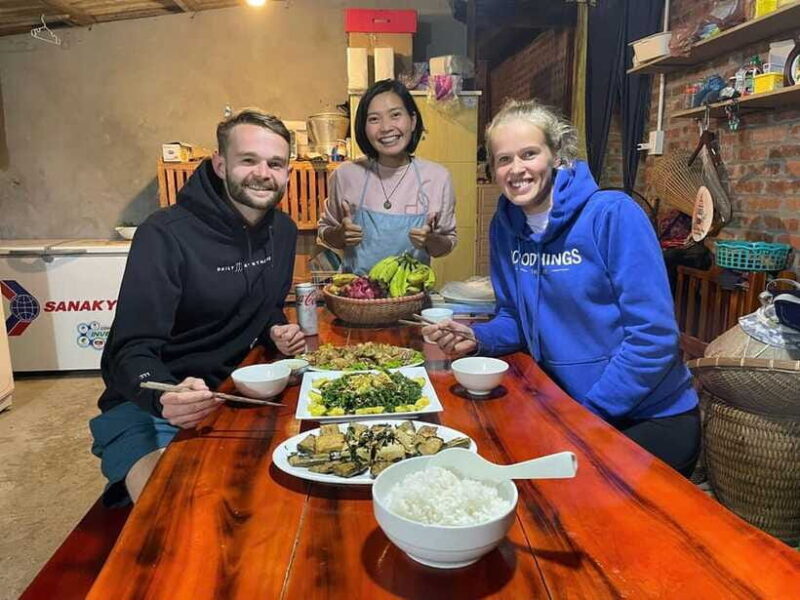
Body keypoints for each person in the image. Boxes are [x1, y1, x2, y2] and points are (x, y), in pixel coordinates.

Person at [423, 99, 700, 477]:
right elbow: (515, 318)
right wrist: (476, 337)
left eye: (529, 154)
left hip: (647, 417)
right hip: (568, 407)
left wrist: (586, 414)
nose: (516, 169)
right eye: (504, 159)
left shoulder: (612, 214)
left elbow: (653, 338)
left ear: (556, 155)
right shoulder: (505, 227)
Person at [90, 109, 306, 506]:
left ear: (287, 173)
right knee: (171, 513)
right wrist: (166, 396)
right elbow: (130, 349)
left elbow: (265, 307)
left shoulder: (284, 231)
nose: (263, 173)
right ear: (220, 165)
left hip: (234, 392)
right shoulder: (164, 234)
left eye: (275, 164)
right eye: (248, 160)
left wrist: (275, 328)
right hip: (153, 402)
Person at [317, 79, 457, 274]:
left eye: (395, 115)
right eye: (374, 119)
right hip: (355, 290)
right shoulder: (345, 174)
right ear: (364, 128)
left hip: (411, 291)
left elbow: (447, 244)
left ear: (413, 121)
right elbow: (325, 232)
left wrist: (431, 240)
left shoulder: (437, 178)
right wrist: (340, 234)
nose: (386, 127)